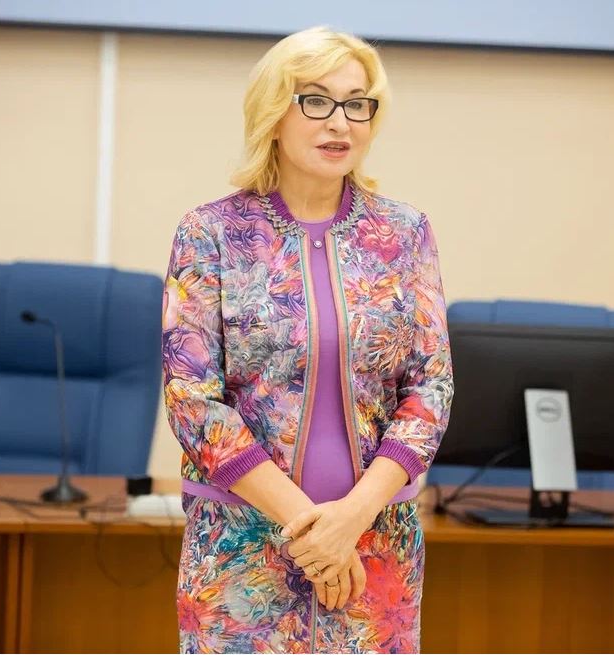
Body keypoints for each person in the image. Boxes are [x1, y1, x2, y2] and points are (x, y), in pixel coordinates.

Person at [162, 25, 453, 654]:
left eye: (357, 103)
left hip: (376, 545)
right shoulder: (210, 234)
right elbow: (191, 398)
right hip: (241, 548)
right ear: (274, 112)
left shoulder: (404, 234)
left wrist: (351, 519)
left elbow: (431, 387)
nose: (339, 122)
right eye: (316, 101)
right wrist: (311, 529)